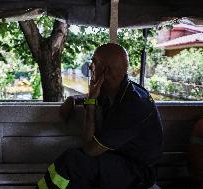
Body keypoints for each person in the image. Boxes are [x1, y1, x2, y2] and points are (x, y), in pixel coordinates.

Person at [36, 43, 163, 189]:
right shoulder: (115, 91)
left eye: (93, 63)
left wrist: (90, 102)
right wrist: (74, 100)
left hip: (137, 172)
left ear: (106, 71)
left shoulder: (133, 105)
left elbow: (90, 149)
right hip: (118, 158)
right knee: (76, 168)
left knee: (72, 161)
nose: (90, 67)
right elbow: (92, 99)